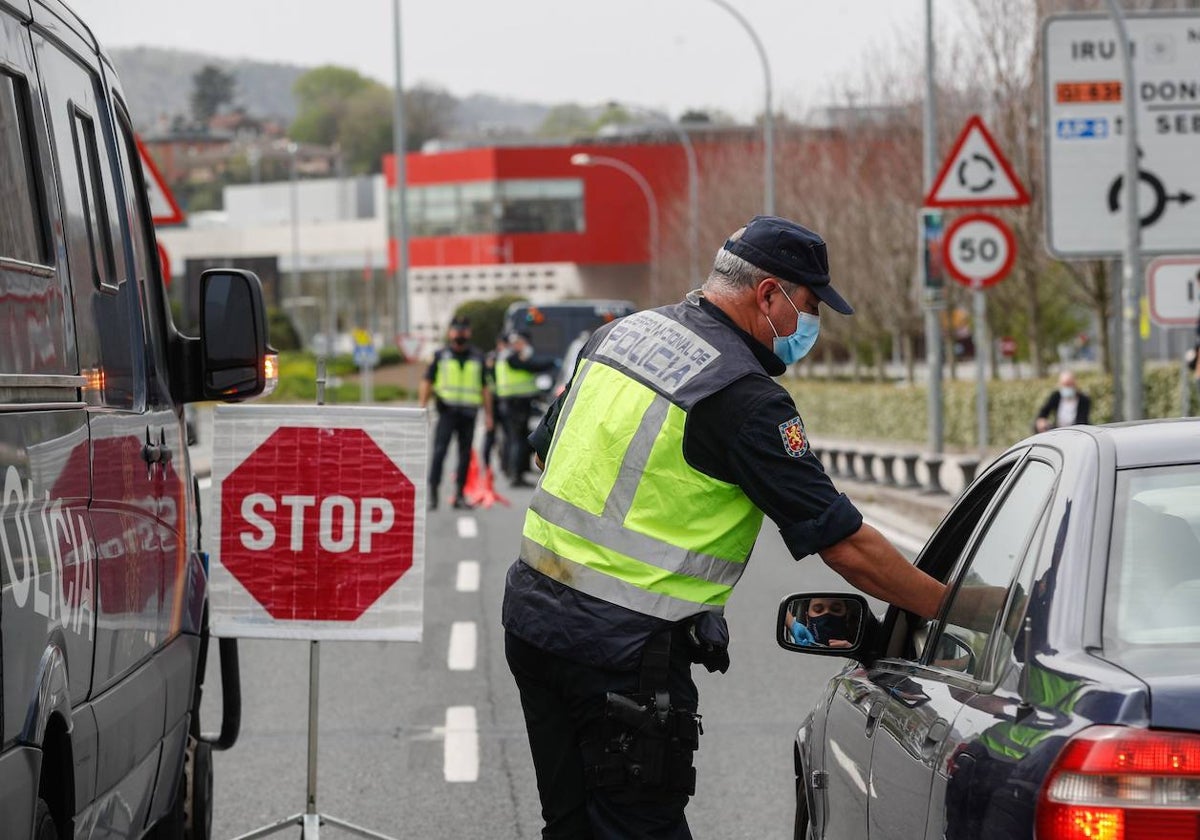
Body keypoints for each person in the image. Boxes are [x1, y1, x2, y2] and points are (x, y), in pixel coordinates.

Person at [502, 215, 947, 839]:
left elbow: (548, 450)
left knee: (570, 827)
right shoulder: (742, 394)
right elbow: (844, 544)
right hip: (621, 656)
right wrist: (954, 610)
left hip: (533, 622)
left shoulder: (619, 336)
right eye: (810, 307)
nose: (808, 328)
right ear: (769, 295)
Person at [418, 316, 493, 510]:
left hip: (469, 414)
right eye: (456, 329)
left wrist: (489, 415)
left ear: (469, 332)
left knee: (465, 456)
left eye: (463, 329)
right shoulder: (440, 355)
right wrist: (422, 407)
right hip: (447, 412)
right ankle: (433, 495)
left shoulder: (478, 357)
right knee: (439, 453)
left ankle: (459, 495)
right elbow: (427, 381)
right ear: (450, 332)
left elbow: (485, 388)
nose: (460, 333)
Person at [495, 331, 558, 487]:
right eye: (521, 342)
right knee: (516, 440)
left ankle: (516, 472)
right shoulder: (511, 357)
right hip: (515, 403)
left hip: (515, 402)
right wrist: (552, 362)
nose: (524, 346)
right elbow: (531, 366)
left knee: (517, 439)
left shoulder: (507, 356)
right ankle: (516, 475)